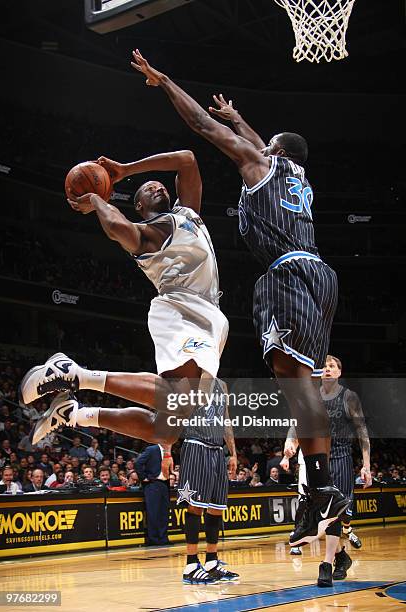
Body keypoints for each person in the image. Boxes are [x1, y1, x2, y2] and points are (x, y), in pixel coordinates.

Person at [128, 49, 350, 546]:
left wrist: (164, 80)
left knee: (295, 383)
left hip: (287, 272)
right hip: (320, 274)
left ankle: (324, 487)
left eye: (263, 144)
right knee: (301, 382)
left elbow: (205, 128)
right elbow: (261, 147)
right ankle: (323, 487)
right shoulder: (298, 177)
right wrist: (245, 120)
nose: (255, 145)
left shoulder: (263, 164)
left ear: (273, 152)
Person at [22, 148, 228, 449]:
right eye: (147, 189)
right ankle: (74, 374)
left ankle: (74, 415)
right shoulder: (149, 235)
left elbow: (187, 159)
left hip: (208, 314)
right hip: (182, 308)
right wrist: (96, 199)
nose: (156, 185)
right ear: (140, 205)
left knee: (165, 430)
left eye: (159, 184)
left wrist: (126, 169)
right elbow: (118, 228)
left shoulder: (187, 213)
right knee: (180, 397)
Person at [281, 354, 372, 586]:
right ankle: (341, 557)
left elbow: (362, 430)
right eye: (324, 366)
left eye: (332, 366)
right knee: (322, 513)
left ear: (339, 372)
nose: (328, 369)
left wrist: (367, 465)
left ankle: (326, 564)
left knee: (334, 514)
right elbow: (297, 422)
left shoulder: (348, 397)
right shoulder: (311, 395)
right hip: (318, 459)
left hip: (340, 456)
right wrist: (290, 443)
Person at [177, 378, 239, 584]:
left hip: (216, 451)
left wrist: (233, 453)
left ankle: (211, 561)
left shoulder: (222, 385)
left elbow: (226, 420)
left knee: (217, 507)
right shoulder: (190, 380)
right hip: (196, 445)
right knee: (195, 506)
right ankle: (191, 564)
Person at [135, 443, 171, 546]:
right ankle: (153, 539)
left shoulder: (168, 451)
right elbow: (138, 463)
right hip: (152, 483)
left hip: (165, 484)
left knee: (164, 513)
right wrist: (143, 477)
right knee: (153, 513)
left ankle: (163, 538)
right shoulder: (152, 449)